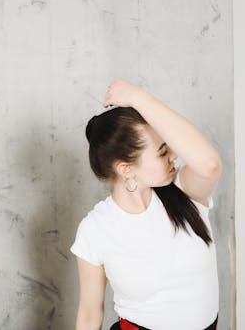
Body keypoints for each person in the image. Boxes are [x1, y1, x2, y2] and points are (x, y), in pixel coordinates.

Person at [71, 79, 221, 330]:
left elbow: (210, 164)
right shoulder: (96, 229)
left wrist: (138, 98)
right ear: (127, 169)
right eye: (162, 152)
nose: (174, 155)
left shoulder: (185, 192)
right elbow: (89, 315)